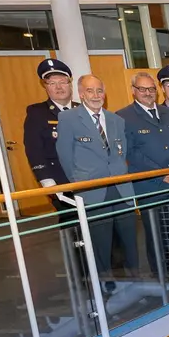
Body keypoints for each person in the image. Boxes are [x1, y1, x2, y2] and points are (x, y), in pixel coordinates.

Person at [56, 74, 139, 285]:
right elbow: (65, 156)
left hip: (121, 189)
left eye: (99, 91)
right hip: (92, 191)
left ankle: (137, 282)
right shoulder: (68, 119)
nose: (95, 95)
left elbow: (121, 152)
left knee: (130, 241)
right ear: (81, 94)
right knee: (100, 243)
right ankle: (105, 285)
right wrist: (80, 183)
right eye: (90, 91)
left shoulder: (116, 120)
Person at [116, 71, 169, 276]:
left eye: (151, 89)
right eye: (142, 89)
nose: (148, 93)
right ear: (133, 91)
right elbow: (130, 153)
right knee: (157, 236)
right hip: (150, 187)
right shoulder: (123, 117)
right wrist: (160, 174)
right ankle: (162, 277)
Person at [24, 58, 77, 193]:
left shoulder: (82, 110)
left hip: (89, 177)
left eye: (62, 82)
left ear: (70, 84)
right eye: (52, 83)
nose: (58, 87)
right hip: (59, 180)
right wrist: (46, 181)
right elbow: (34, 149)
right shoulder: (37, 113)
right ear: (45, 87)